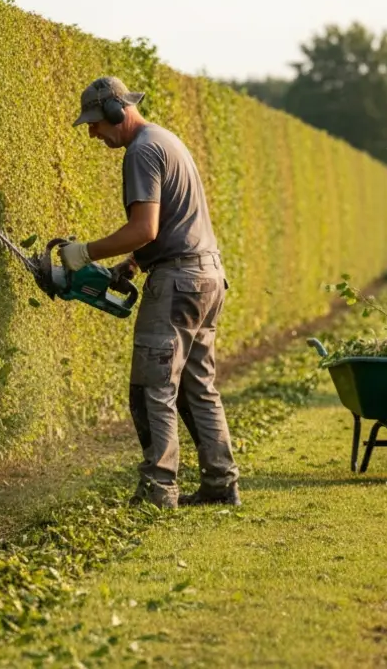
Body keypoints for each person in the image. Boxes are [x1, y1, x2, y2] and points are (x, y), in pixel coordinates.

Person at [60, 76, 240, 509]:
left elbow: (146, 228)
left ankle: (159, 489)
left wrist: (84, 253)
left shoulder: (140, 152)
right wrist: (136, 262)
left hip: (177, 284)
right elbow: (177, 221)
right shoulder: (167, 140)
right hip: (209, 276)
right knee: (199, 387)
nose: (92, 132)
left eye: (96, 123)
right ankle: (221, 482)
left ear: (117, 112)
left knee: (152, 387)